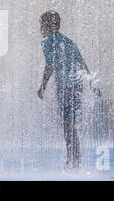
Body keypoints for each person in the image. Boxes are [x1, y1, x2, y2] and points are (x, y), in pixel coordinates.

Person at [37, 10, 100, 168]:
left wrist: (42, 86)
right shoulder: (68, 41)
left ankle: (74, 159)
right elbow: (81, 63)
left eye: (41, 24)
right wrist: (91, 84)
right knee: (70, 124)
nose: (40, 27)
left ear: (48, 25)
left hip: (65, 87)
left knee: (67, 124)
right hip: (77, 86)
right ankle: (75, 158)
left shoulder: (47, 41)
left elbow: (50, 65)